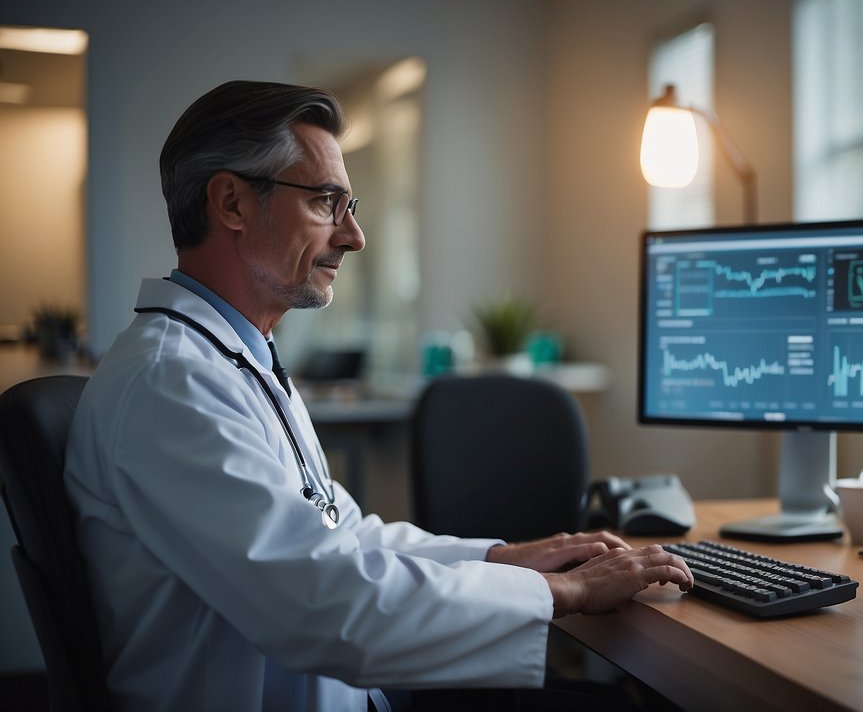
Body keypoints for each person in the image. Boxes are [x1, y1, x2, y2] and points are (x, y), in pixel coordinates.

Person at [63, 80, 694, 712]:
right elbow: (326, 604)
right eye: (326, 202)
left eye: (350, 204)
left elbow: (346, 539)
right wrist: (569, 594)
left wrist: (508, 557)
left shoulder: (228, 359)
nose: (354, 236)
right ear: (232, 202)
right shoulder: (173, 383)